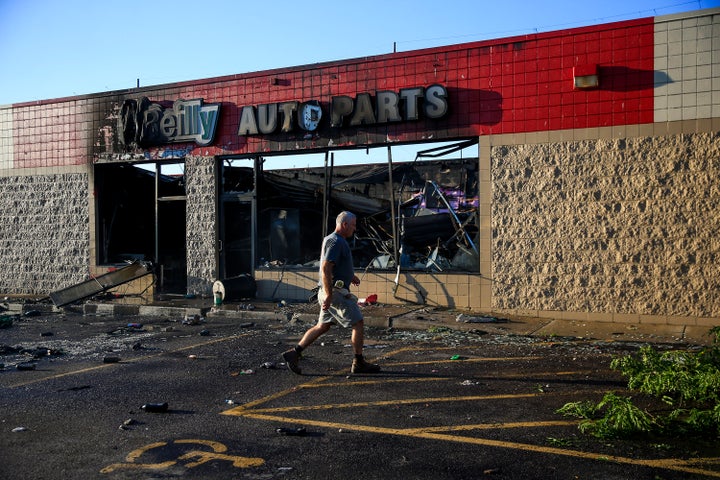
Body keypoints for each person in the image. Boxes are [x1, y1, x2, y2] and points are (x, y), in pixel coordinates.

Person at [282, 211, 380, 375]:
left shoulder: (335, 240)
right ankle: (359, 362)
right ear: (345, 224)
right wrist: (328, 294)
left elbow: (335, 265)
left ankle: (294, 353)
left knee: (323, 326)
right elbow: (326, 268)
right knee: (358, 323)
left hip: (332, 292)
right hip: (336, 294)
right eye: (353, 225)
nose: (355, 229)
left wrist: (350, 275)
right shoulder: (335, 241)